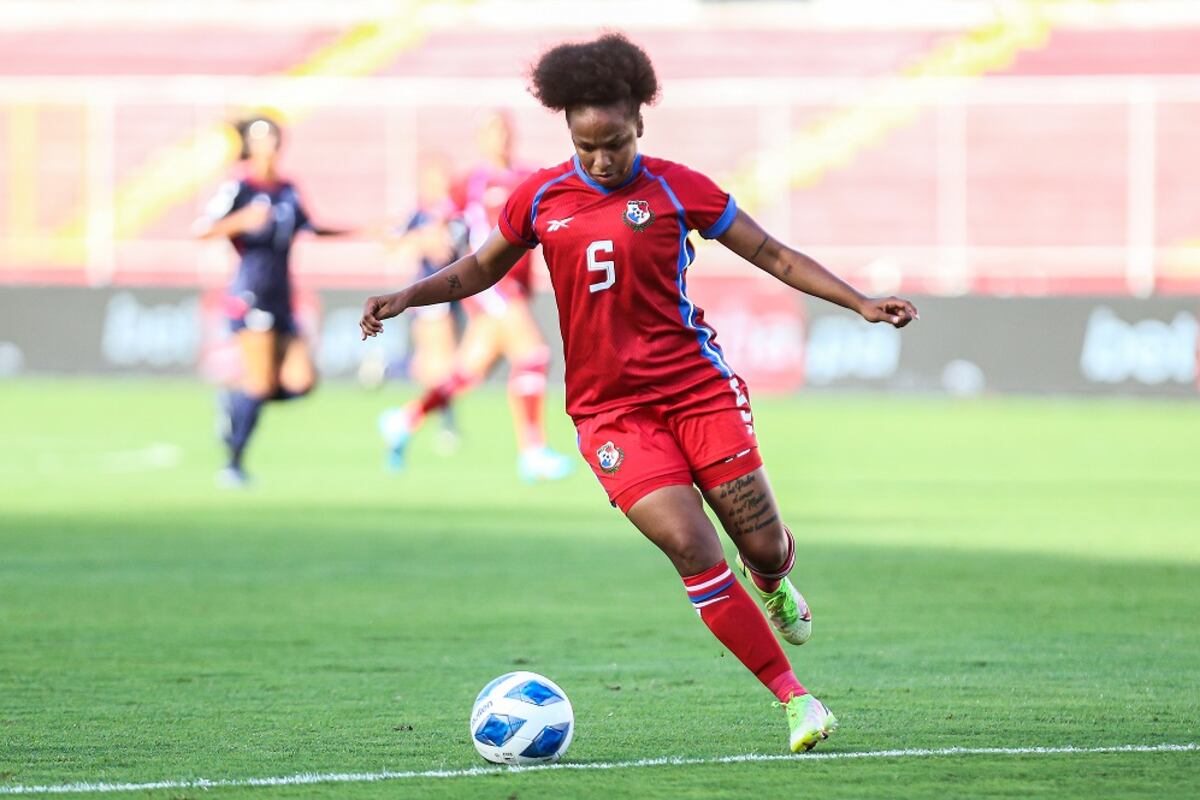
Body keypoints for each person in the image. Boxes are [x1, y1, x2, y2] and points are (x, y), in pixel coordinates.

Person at [360, 34, 918, 752]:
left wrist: (860, 302)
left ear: (639, 124)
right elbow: (478, 269)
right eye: (586, 146)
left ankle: (774, 581)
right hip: (611, 416)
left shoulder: (679, 188)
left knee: (762, 543)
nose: (601, 160)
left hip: (698, 392)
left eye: (615, 144)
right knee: (692, 545)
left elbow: (774, 255)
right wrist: (408, 295)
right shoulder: (540, 196)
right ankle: (796, 700)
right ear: (568, 132)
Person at [377, 111, 572, 482]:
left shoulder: (528, 176)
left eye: (505, 130)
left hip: (516, 285)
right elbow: (437, 219)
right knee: (533, 354)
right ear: (481, 139)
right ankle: (532, 451)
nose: (501, 138)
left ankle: (404, 420)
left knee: (467, 374)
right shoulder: (471, 183)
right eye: (492, 131)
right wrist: (429, 238)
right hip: (493, 283)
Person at [197, 116, 351, 487]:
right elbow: (203, 229)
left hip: (282, 296)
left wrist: (359, 231)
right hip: (251, 294)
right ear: (249, 146)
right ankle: (233, 463)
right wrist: (241, 221)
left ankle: (235, 404)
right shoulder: (239, 189)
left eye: (273, 138)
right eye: (261, 139)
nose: (268, 146)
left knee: (302, 381)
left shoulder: (287, 190)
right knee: (260, 383)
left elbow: (310, 227)